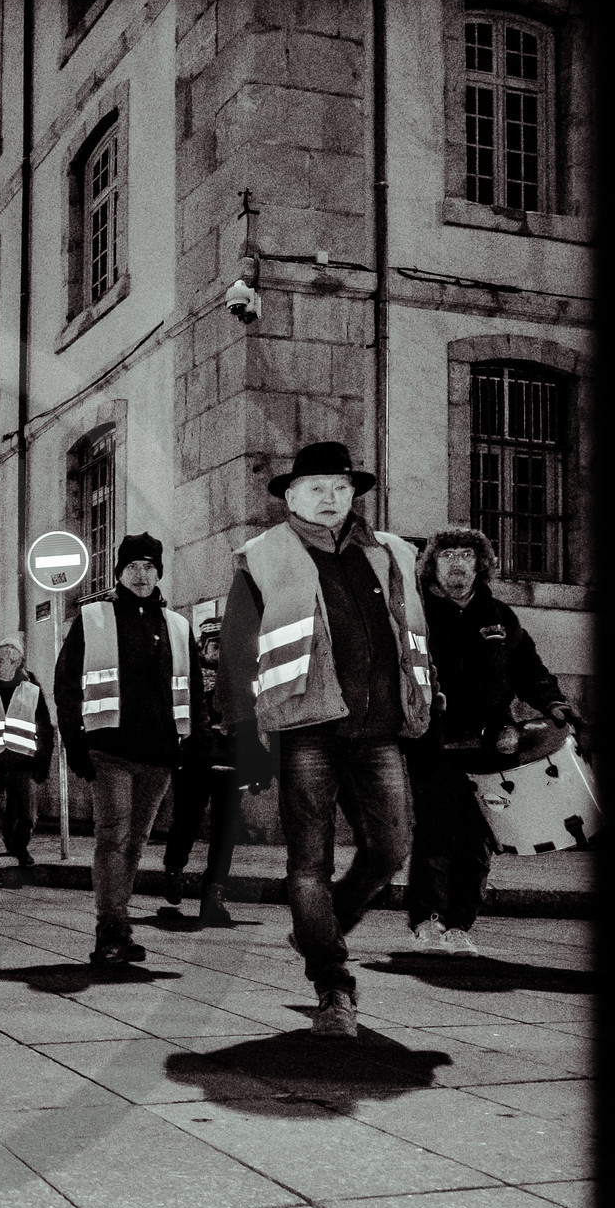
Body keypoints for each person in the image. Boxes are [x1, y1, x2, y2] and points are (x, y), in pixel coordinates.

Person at [222, 442, 433, 1037]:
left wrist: (422, 698)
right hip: (307, 726)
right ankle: (333, 985)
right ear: (290, 496)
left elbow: (411, 628)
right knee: (308, 862)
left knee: (391, 849)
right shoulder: (261, 556)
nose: (331, 497)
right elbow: (239, 651)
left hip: (379, 728)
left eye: (341, 487)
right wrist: (248, 734)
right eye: (316, 487)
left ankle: (320, 925)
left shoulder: (390, 551)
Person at [404, 526, 581, 955]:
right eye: (448, 556)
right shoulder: (415, 614)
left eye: (467, 555)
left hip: (492, 744)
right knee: (434, 830)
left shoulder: (500, 615)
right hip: (434, 739)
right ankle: (426, 919)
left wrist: (554, 703)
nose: (458, 564)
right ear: (433, 564)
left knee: (478, 836)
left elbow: (529, 669)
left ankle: (459, 924)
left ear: (481, 564)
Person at [55, 533, 207, 967]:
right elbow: (66, 685)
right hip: (110, 750)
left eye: (149, 567)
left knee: (136, 842)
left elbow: (193, 692)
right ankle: (111, 928)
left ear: (159, 572)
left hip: (159, 755)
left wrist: (191, 745)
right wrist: (75, 742)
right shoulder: (94, 617)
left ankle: (120, 924)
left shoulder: (177, 625)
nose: (142, 575)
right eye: (133, 567)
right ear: (119, 572)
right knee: (113, 838)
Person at [161, 615, 241, 926]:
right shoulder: (188, 676)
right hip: (194, 762)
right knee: (187, 821)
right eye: (215, 644)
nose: (221, 651)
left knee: (225, 833)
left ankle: (214, 894)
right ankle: (173, 869)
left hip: (231, 763)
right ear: (203, 646)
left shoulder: (241, 677)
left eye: (226, 644)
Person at [0, 632, 54, 887]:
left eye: (3, 660)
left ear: (17, 663)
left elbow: (45, 728)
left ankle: (18, 846)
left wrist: (43, 763)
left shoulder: (32, 691)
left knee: (28, 816)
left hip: (22, 763)